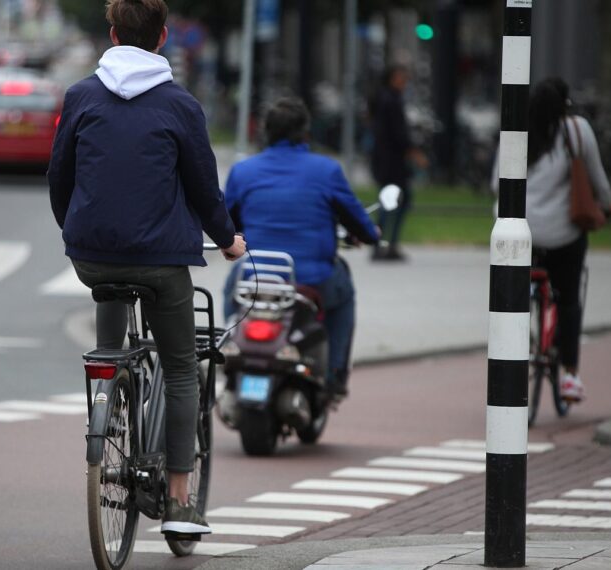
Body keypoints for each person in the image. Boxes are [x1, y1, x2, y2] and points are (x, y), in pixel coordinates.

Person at [47, 0, 246, 536]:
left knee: (109, 338)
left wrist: (78, 230)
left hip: (91, 255)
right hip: (160, 261)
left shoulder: (81, 96)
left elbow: (59, 177)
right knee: (183, 368)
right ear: (163, 39)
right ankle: (180, 501)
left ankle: (107, 404)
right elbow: (205, 189)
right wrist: (228, 241)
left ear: (112, 35)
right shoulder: (181, 105)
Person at [223, 97, 380, 398]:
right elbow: (356, 218)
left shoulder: (244, 172)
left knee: (232, 289)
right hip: (311, 278)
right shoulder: (326, 171)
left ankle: (231, 349)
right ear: (305, 133)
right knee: (343, 295)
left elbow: (227, 224)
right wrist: (370, 234)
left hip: (257, 276)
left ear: (266, 132)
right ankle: (334, 374)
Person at [492, 77, 611, 402]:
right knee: (569, 298)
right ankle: (571, 374)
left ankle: (515, 350)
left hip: (519, 234)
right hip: (562, 236)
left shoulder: (515, 131)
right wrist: (608, 205)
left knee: (512, 295)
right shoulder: (576, 131)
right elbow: (597, 177)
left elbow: (496, 183)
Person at [368, 64, 419, 262]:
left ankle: (381, 243)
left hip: (384, 160)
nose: (404, 82)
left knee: (388, 201)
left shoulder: (382, 98)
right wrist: (413, 152)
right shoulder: (392, 101)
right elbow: (399, 134)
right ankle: (388, 243)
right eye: (401, 78)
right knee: (397, 202)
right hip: (393, 162)